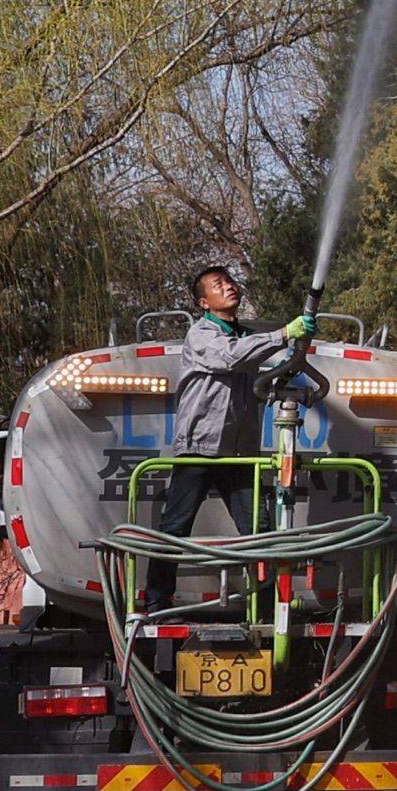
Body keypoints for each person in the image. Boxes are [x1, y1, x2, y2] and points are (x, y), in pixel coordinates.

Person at [137, 262, 315, 614]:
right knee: (175, 527)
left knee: (259, 531)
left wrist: (298, 343)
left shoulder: (245, 336)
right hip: (199, 450)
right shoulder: (202, 335)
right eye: (217, 285)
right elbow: (230, 359)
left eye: (229, 281)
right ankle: (156, 600)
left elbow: (266, 362)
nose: (228, 287)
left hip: (239, 454)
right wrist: (283, 333)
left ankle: (266, 607)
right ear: (204, 303)